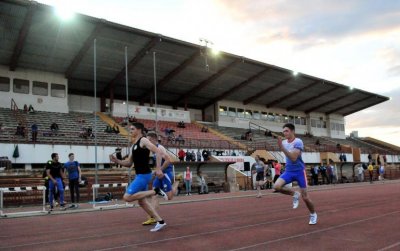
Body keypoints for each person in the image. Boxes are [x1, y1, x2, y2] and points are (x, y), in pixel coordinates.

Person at [109, 122, 168, 232]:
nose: (130, 131)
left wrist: (158, 168)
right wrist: (116, 160)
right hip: (140, 175)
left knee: (127, 197)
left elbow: (158, 151)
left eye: (132, 129)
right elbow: (128, 163)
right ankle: (160, 221)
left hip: (144, 175)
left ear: (139, 130)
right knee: (142, 202)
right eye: (130, 129)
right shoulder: (134, 144)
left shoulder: (144, 140)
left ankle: (156, 191)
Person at [274, 123, 317, 225]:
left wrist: (282, 148)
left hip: (299, 172)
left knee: (305, 197)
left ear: (293, 131)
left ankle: (313, 214)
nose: (285, 133)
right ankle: (295, 194)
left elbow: (293, 158)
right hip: (288, 171)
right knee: (276, 186)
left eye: (287, 131)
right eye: (283, 131)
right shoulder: (284, 142)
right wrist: (282, 146)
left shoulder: (298, 141)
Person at [142, 132, 179, 226]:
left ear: (154, 139)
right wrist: (156, 171)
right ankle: (152, 217)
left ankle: (177, 182)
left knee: (169, 197)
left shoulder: (160, 148)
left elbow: (168, 160)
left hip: (166, 173)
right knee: (154, 194)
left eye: (149, 140)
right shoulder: (153, 150)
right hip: (160, 174)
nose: (148, 142)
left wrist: (159, 170)